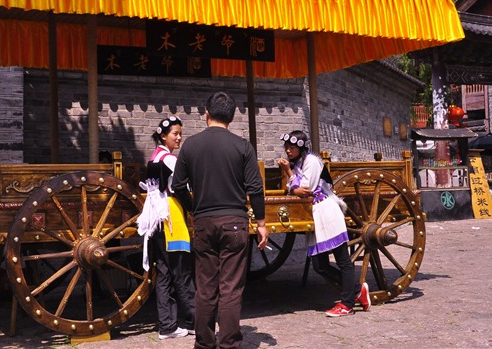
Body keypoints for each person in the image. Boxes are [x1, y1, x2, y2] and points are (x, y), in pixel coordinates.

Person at [172, 92, 268, 349]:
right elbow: (256, 189)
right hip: (235, 222)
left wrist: (193, 208)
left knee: (205, 287)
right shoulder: (243, 146)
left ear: (206, 113)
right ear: (233, 116)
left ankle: (204, 343)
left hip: (204, 222)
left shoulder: (190, 146)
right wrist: (261, 223)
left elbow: (177, 185)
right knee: (230, 288)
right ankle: (229, 344)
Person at [276, 130, 371, 317]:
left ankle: (347, 304)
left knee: (343, 260)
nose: (288, 150)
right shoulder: (299, 164)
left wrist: (288, 173)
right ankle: (358, 290)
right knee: (319, 265)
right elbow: (294, 189)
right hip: (315, 215)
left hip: (327, 212)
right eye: (286, 147)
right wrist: (294, 185)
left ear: (301, 147)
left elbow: (306, 189)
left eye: (292, 147)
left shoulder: (311, 161)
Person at [137, 116, 195, 340]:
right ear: (163, 135)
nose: (179, 137)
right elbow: (181, 188)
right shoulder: (169, 159)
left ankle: (168, 326)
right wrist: (193, 208)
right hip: (171, 216)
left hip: (157, 217)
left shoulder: (153, 157)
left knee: (164, 273)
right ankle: (193, 321)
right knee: (182, 272)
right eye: (175, 134)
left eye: (180, 133)